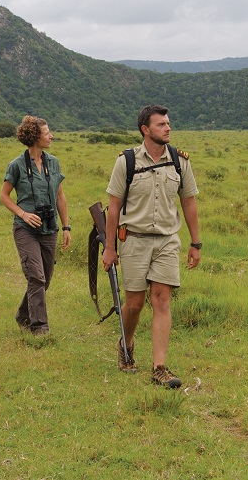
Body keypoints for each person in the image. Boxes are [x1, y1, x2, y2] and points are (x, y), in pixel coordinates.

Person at [102, 104, 201, 388]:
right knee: (134, 304)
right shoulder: (127, 162)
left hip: (168, 240)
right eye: (161, 124)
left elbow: (189, 201)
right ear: (145, 130)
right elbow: (113, 208)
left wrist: (196, 242)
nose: (168, 128)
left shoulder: (180, 161)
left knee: (161, 299)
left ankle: (159, 367)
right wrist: (110, 248)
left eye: (168, 123)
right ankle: (127, 344)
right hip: (134, 239)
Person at [0, 116, 71, 336]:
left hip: (49, 228)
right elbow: (4, 195)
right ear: (34, 136)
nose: (51, 136)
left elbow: (60, 197)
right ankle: (39, 328)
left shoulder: (54, 163)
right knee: (36, 277)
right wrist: (23, 213)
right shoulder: (17, 165)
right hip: (25, 229)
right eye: (47, 132)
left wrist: (66, 227)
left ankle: (23, 315)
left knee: (44, 278)